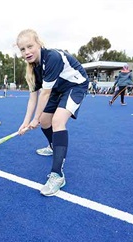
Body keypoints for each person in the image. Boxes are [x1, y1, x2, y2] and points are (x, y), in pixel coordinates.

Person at [16, 29, 89, 196]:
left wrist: (35, 119)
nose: (27, 52)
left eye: (30, 46)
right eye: (22, 49)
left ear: (39, 44)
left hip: (75, 86)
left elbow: (45, 94)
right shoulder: (34, 69)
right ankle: (52, 146)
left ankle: (57, 175)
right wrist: (25, 122)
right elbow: (33, 98)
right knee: (45, 121)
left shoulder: (52, 58)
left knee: (57, 121)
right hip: (57, 89)